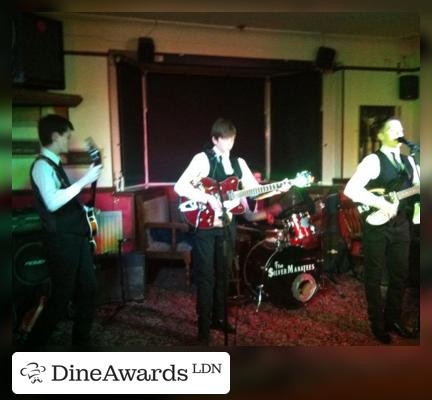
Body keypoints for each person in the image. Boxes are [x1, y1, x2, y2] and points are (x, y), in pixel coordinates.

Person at [174, 118, 290, 345]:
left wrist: (277, 187)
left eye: (232, 139)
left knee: (223, 274)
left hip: (228, 225)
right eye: (225, 139)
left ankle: (219, 318)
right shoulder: (202, 159)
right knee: (206, 276)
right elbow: (180, 186)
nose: (229, 144)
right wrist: (207, 197)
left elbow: (253, 193)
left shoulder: (239, 163)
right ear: (215, 139)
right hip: (205, 226)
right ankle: (203, 326)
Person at [25, 114, 102, 347]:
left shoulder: (54, 165)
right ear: (56, 136)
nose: (69, 140)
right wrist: (84, 181)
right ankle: (31, 349)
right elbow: (51, 202)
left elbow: (64, 202)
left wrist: (84, 210)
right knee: (60, 298)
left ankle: (81, 342)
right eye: (67, 136)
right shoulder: (41, 166)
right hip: (60, 242)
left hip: (75, 239)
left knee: (88, 290)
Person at [344, 116, 419, 344]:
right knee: (374, 275)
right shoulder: (372, 160)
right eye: (393, 128)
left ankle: (392, 319)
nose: (399, 131)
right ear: (380, 135)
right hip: (377, 225)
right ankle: (377, 324)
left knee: (400, 275)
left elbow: (417, 190)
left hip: (402, 225)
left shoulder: (410, 161)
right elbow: (351, 190)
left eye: (401, 128)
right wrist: (383, 203)